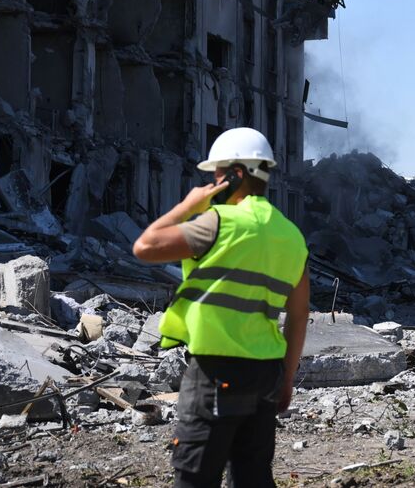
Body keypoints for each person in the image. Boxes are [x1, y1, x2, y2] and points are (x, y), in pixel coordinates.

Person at [132, 127, 310, 488]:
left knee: (196, 477)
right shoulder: (291, 235)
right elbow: (299, 315)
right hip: (266, 375)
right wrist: (287, 379)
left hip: (216, 372)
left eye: (216, 176)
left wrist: (188, 205)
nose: (212, 184)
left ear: (236, 175)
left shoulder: (217, 222)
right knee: (252, 476)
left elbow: (145, 246)